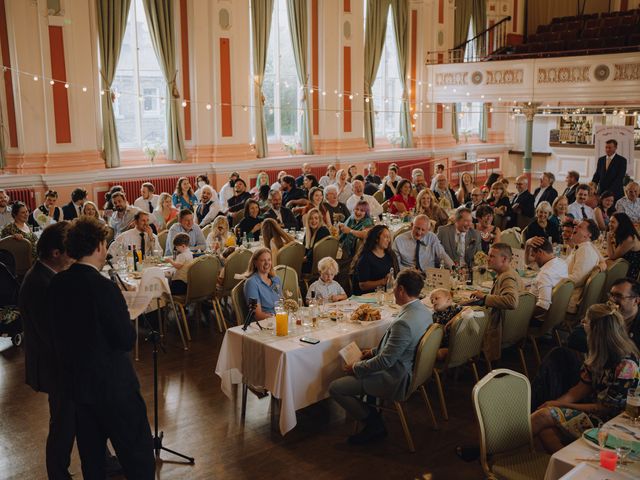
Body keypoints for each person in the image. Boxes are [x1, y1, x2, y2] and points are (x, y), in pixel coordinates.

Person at [48, 217, 155, 479]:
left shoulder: (56, 284)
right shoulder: (104, 288)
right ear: (98, 246)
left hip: (79, 387)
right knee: (137, 456)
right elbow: (124, 339)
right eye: (104, 243)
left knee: (93, 461)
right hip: (114, 387)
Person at [329, 269, 432, 445]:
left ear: (400, 289)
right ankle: (371, 411)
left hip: (395, 378)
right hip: (413, 372)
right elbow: (398, 348)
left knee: (335, 388)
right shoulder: (424, 311)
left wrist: (355, 368)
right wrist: (374, 351)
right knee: (363, 360)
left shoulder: (404, 323)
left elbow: (386, 361)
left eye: (394, 288)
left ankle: (373, 424)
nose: (392, 291)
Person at [531, 303, 639, 454]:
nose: (582, 323)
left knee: (542, 417)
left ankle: (499, 447)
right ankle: (562, 469)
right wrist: (552, 405)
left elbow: (605, 409)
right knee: (545, 430)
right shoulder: (599, 352)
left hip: (611, 421)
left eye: (586, 321)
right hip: (593, 409)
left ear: (595, 328)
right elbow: (580, 389)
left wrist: (557, 406)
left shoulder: (626, 365)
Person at [19, 222, 74, 479]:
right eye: (69, 250)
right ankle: (58, 474)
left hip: (59, 363)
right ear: (55, 253)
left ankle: (104, 462)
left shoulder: (46, 275)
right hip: (55, 367)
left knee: (78, 416)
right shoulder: (41, 283)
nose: (72, 254)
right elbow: (52, 335)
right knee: (62, 424)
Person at [469, 243, 523, 362]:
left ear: (504, 259)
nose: (488, 259)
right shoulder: (511, 273)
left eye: (492, 256)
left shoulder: (507, 277)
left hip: (497, 329)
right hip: (511, 329)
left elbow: (512, 301)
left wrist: (484, 297)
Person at [566, 219, 605, 314]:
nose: (575, 227)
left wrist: (553, 279)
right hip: (566, 293)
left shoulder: (585, 251)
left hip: (567, 299)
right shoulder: (585, 247)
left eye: (580, 226)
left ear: (588, 235)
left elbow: (576, 279)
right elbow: (602, 261)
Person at [524, 237, 568, 320]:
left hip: (538, 319)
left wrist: (524, 315)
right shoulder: (561, 262)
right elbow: (528, 263)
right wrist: (527, 244)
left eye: (534, 255)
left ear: (540, 252)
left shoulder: (545, 274)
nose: (534, 260)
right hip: (557, 314)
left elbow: (543, 306)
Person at [352, 225, 398, 295]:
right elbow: (363, 285)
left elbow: (397, 274)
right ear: (376, 238)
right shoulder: (365, 258)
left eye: (389, 237)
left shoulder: (390, 255)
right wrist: (383, 281)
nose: (388, 240)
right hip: (367, 297)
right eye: (385, 237)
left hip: (386, 294)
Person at [242, 247, 282, 320]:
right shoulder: (252, 283)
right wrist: (278, 318)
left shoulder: (276, 280)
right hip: (263, 324)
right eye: (263, 260)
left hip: (278, 320)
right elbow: (258, 315)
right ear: (255, 263)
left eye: (269, 260)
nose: (267, 263)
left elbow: (281, 304)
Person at [430, 288, 463, 360]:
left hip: (452, 344)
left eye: (436, 298)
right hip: (439, 343)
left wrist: (454, 319)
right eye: (431, 300)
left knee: (433, 354)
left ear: (448, 300)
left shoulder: (455, 309)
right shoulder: (435, 315)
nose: (433, 301)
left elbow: (468, 310)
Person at [607, 212, 640, 280]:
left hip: (630, 272)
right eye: (610, 221)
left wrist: (608, 240)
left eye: (613, 222)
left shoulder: (629, 238)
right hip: (623, 266)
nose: (609, 224)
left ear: (621, 224)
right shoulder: (624, 234)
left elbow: (612, 257)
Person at [302, 208, 330, 274]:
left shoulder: (323, 230)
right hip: (311, 262)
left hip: (318, 264)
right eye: (311, 218)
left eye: (316, 218)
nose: (313, 221)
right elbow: (304, 248)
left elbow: (315, 250)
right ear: (308, 221)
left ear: (320, 220)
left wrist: (304, 258)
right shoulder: (308, 233)